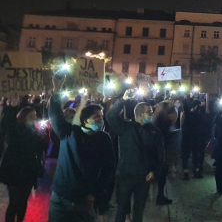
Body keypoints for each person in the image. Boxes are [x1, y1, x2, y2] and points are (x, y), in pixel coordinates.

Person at [48, 76, 115, 222]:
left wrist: (95, 192)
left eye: (101, 117)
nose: (101, 120)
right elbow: (55, 116)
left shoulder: (103, 138)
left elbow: (109, 168)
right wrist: (57, 90)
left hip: (84, 201)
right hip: (60, 199)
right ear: (85, 120)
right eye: (96, 117)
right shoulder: (70, 133)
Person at [107, 88, 165, 222]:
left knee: (138, 210)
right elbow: (111, 116)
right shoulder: (125, 127)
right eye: (149, 112)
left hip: (144, 177)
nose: (152, 114)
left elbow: (160, 154)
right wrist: (123, 100)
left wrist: (155, 171)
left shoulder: (155, 131)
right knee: (121, 209)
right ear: (139, 114)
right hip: (125, 176)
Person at [0, 106, 46, 222]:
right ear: (23, 117)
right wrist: (12, 106)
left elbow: (39, 150)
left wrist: (42, 137)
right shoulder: (16, 130)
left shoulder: (35, 132)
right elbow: (9, 123)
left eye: (35, 116)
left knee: (23, 201)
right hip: (14, 171)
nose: (34, 119)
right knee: (14, 202)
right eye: (31, 116)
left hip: (28, 171)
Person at [152, 100, 178, 205]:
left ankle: (159, 195)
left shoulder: (157, 120)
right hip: (163, 150)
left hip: (159, 150)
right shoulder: (163, 122)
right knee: (162, 174)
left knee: (161, 174)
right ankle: (160, 196)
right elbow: (165, 136)